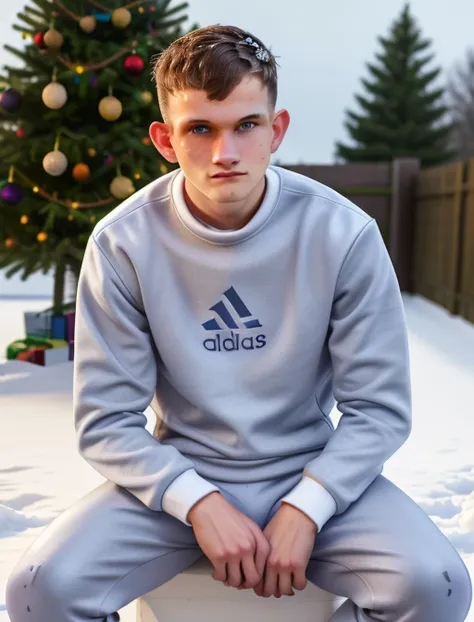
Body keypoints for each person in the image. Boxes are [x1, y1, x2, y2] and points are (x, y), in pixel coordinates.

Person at [5, 24, 472, 622]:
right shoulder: (123, 242)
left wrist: (308, 506)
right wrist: (198, 501)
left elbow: (377, 409)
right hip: (178, 478)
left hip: (310, 466)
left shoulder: (342, 233)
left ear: (275, 130)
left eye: (246, 125)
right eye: (200, 128)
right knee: (39, 588)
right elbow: (105, 421)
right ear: (164, 140)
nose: (225, 152)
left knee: (438, 586)